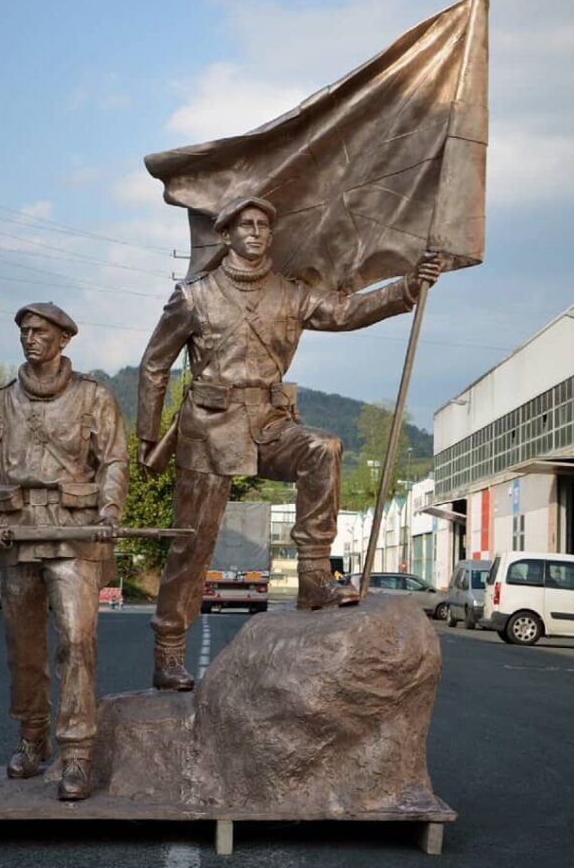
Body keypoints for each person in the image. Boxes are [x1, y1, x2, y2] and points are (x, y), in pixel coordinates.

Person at [137, 196, 441, 691]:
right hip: (209, 430)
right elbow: (155, 364)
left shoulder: (290, 294)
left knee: (323, 448)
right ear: (226, 234)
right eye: (246, 224)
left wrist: (406, 287)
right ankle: (169, 649)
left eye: (264, 224)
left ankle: (315, 577)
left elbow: (346, 311)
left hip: (270, 423)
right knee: (193, 544)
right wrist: (148, 436)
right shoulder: (194, 297)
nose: (256, 231)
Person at [0, 302, 128, 800]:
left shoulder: (93, 396)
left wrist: (110, 511)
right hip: (16, 532)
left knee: (77, 641)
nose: (29, 338)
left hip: (74, 532)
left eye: (40, 331)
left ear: (63, 338)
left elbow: (114, 460)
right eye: (24, 331)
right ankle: (32, 734)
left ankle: (77, 750)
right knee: (23, 648)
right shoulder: (1, 402)